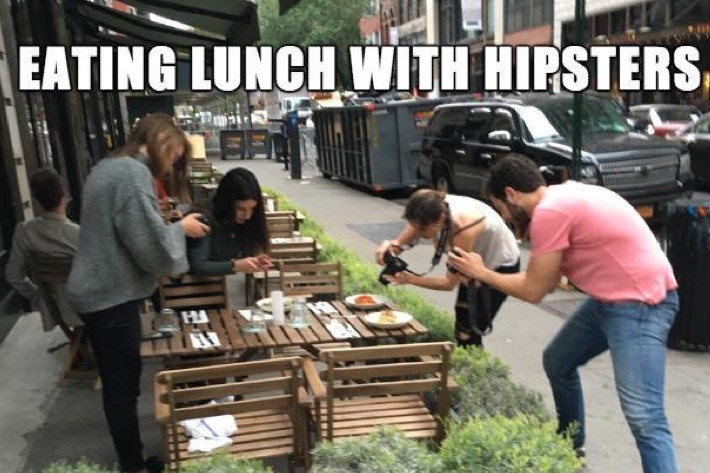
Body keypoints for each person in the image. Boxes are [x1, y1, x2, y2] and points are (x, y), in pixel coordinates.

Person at [447, 155, 679, 473]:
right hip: (610, 299)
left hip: (640, 305)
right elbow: (550, 280)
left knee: (644, 416)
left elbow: (535, 290)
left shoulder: (549, 213)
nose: (503, 216)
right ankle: (571, 446)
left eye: (500, 208)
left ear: (512, 194)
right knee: (558, 361)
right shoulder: (561, 197)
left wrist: (482, 273)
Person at [66, 113, 209, 473]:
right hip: (109, 296)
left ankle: (134, 457)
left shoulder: (109, 166)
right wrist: (181, 227)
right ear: (163, 141)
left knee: (120, 385)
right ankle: (134, 465)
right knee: (123, 387)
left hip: (99, 292)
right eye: (175, 154)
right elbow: (152, 249)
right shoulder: (132, 174)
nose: (172, 164)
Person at [375, 189, 520, 346]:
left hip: (498, 266)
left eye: (420, 229)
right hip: (472, 264)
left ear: (440, 219)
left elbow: (448, 283)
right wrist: (390, 247)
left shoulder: (463, 229)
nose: (415, 231)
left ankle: (474, 368)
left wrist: (410, 279)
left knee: (469, 333)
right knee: (461, 327)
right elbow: (404, 239)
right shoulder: (429, 205)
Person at [5, 168, 81, 330]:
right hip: (89, 309)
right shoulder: (79, 234)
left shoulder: (24, 232)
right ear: (64, 194)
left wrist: (41, 298)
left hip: (55, 310)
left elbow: (13, 275)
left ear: (36, 199)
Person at [188, 167, 272, 276]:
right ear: (226, 202)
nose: (247, 216)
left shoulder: (244, 223)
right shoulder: (203, 220)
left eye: (252, 209)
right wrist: (235, 265)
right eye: (241, 209)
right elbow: (198, 266)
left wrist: (253, 261)